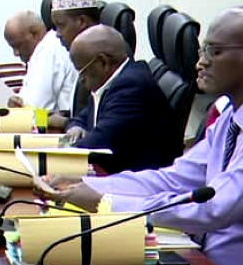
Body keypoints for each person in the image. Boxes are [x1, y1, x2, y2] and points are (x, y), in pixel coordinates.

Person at [41, 7, 243, 265]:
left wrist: (106, 202)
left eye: (213, 52)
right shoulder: (232, 116)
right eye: (203, 50)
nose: (200, 62)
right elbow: (175, 179)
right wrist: (86, 186)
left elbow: (216, 207)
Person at [64, 25, 179, 173]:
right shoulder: (115, 82)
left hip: (139, 186)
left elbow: (97, 144)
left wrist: (60, 151)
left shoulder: (131, 87)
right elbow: (82, 117)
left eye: (81, 70)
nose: (80, 80)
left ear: (103, 62)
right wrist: (76, 127)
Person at [3, 10, 77, 112]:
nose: (16, 53)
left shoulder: (49, 50)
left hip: (56, 124)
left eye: (18, 46)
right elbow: (24, 101)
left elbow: (37, 108)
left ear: (34, 33)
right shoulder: (41, 52)